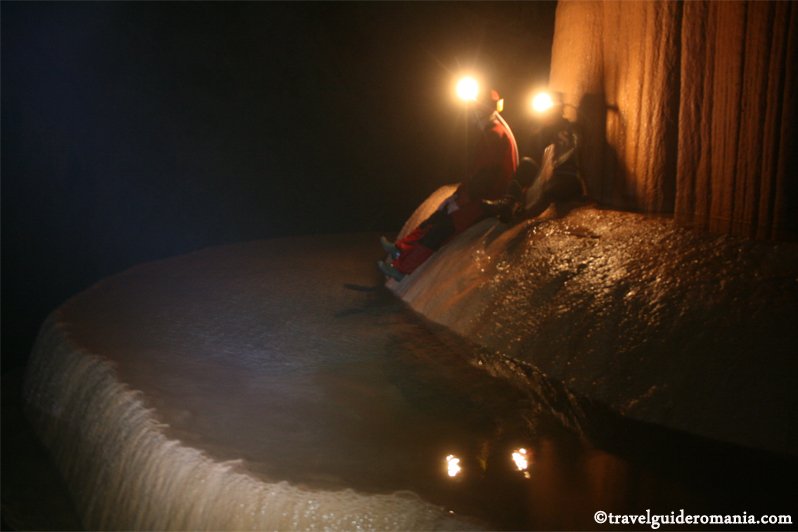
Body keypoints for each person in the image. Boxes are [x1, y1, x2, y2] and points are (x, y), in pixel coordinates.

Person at [378, 87, 519, 282]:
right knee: (439, 216)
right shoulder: (493, 130)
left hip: (487, 199)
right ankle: (400, 250)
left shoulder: (494, 134)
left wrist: (463, 199)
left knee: (443, 227)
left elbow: (486, 176)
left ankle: (402, 268)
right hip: (482, 194)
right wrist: (459, 194)